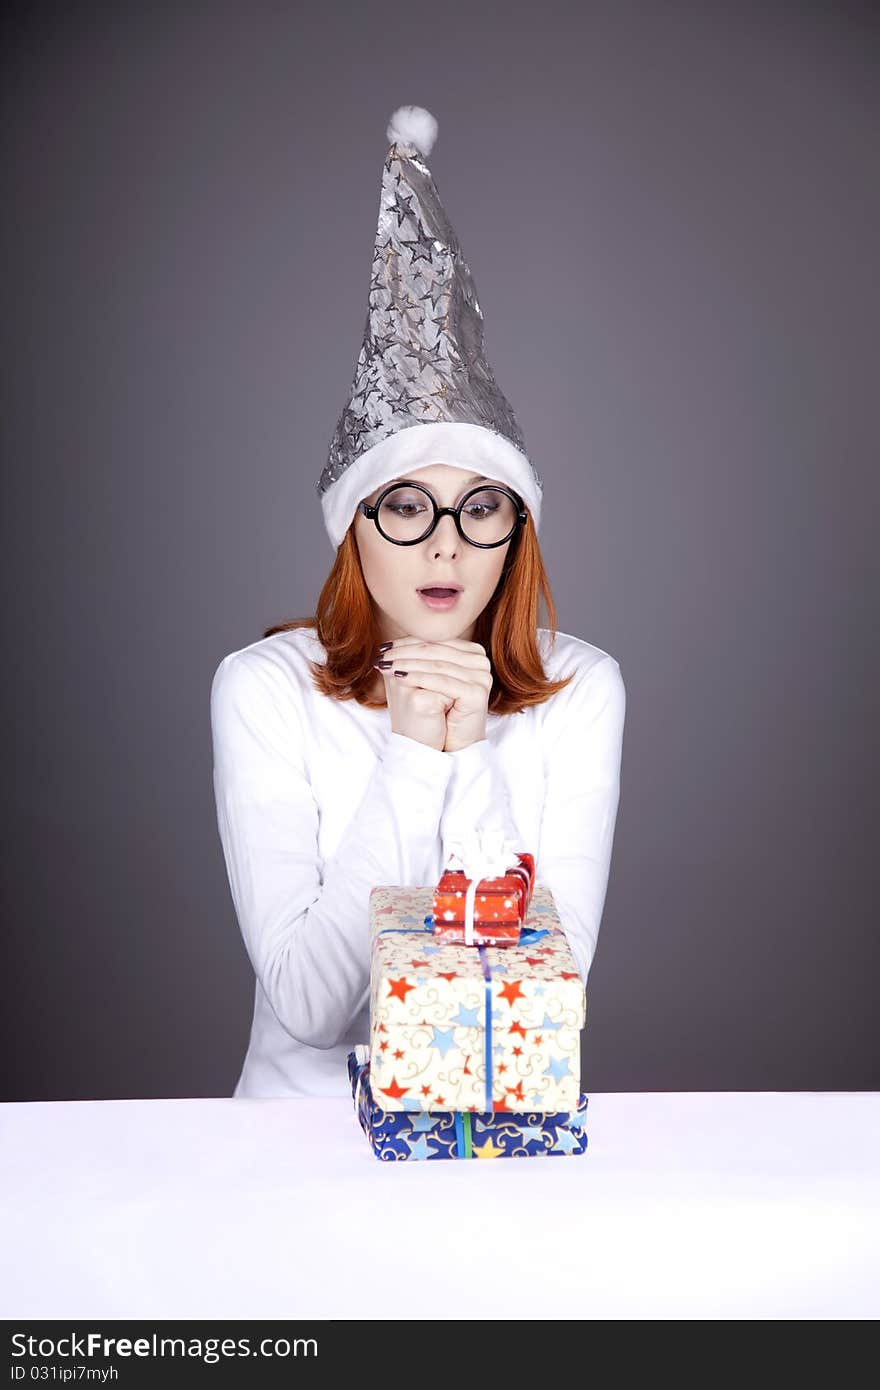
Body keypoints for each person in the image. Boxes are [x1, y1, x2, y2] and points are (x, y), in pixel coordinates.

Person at [210, 106, 626, 1099]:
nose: (444, 542)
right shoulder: (263, 688)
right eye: (406, 506)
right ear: (354, 527)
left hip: (495, 1144)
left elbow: (537, 992)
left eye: (480, 507)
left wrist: (469, 748)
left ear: (515, 530)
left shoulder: (581, 686)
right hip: (287, 1160)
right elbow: (310, 1008)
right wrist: (409, 749)